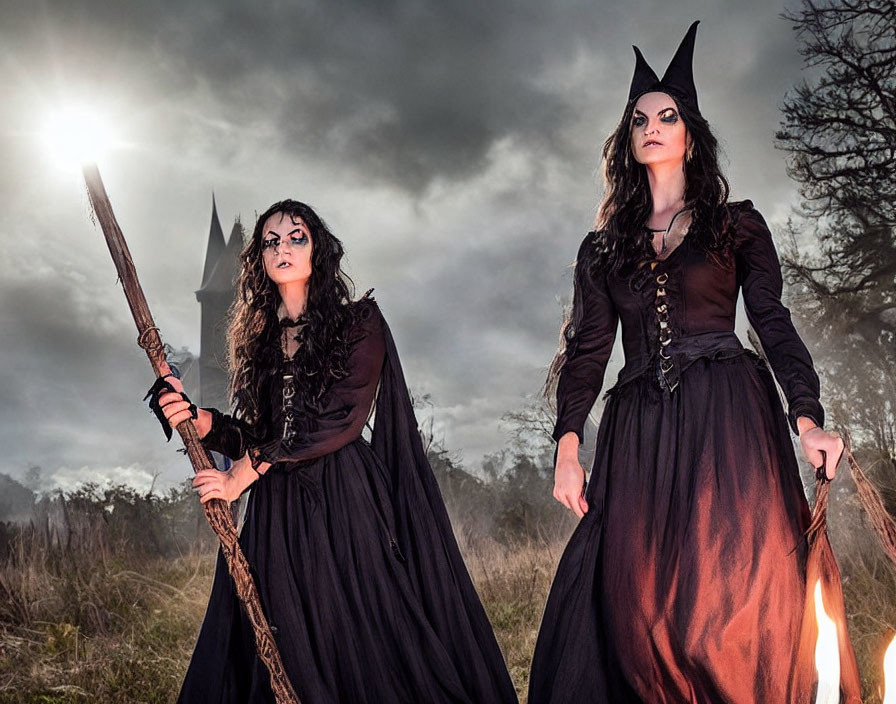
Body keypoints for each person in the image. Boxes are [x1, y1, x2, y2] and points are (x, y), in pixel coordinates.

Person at [528, 22, 859, 704]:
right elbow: (589, 350)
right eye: (639, 119)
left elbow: (771, 323)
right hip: (640, 430)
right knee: (638, 611)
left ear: (690, 131)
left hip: (728, 420)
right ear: (628, 138)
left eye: (667, 115)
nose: (652, 126)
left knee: (730, 598)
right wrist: (567, 446)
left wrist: (809, 421)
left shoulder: (737, 226)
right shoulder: (602, 248)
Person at [152, 200, 518, 703]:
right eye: (270, 241)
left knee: (357, 638)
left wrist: (243, 473)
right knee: (279, 644)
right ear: (259, 259)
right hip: (276, 516)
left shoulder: (358, 324)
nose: (282, 248)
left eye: (295, 237)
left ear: (317, 248)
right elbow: (259, 433)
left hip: (344, 503)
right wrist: (201, 421)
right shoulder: (258, 343)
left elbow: (336, 422)